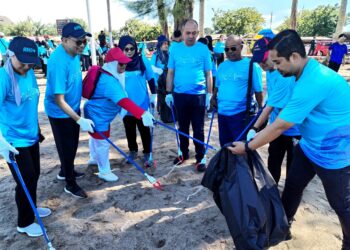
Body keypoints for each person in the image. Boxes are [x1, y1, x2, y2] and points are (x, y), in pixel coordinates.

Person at [229, 29, 350, 249]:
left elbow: (281, 125)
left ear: (294, 56)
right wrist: (254, 129)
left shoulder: (313, 81)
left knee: (341, 204)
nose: (274, 67)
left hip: (334, 154)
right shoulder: (297, 74)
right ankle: (281, 227)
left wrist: (247, 147)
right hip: (309, 146)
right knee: (293, 186)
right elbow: (271, 106)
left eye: (278, 62)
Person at [0, 37, 51, 237]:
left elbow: (30, 103)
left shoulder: (28, 72)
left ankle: (32, 208)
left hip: (31, 135)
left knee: (34, 174)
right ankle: (25, 222)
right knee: (25, 178)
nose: (27, 66)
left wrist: (36, 129)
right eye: (22, 62)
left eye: (31, 62)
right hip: (12, 140)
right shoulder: (3, 78)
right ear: (10, 56)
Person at [84, 47, 154, 181]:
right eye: (121, 64)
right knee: (102, 142)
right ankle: (104, 171)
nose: (124, 66)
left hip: (95, 112)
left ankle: (94, 159)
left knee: (95, 138)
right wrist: (143, 113)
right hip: (99, 115)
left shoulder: (108, 73)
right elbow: (123, 101)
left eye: (125, 63)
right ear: (112, 64)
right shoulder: (109, 81)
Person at [45, 22, 94, 199]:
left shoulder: (74, 53)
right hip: (60, 112)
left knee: (72, 144)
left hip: (73, 108)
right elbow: (59, 100)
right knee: (66, 147)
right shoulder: (58, 62)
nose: (82, 45)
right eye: (78, 42)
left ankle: (65, 171)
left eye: (84, 41)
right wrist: (78, 119)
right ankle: (70, 184)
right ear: (64, 40)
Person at [247, 37, 300, 184]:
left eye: (263, 59)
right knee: (273, 164)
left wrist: (255, 129)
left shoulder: (283, 76)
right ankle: (271, 193)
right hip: (277, 125)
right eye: (258, 60)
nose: (261, 64)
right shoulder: (270, 71)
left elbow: (270, 107)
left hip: (294, 129)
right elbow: (270, 102)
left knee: (293, 169)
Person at [165, 19, 213, 172]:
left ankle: (200, 157)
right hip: (179, 95)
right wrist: (168, 93)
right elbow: (171, 72)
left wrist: (209, 95)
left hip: (198, 95)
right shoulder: (175, 49)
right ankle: (183, 153)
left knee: (198, 128)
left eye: (194, 33)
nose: (191, 36)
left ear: (198, 33)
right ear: (183, 32)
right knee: (182, 126)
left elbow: (208, 73)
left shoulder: (203, 49)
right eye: (188, 33)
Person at [211, 35, 263, 147]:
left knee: (240, 148)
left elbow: (259, 91)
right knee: (225, 146)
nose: (229, 52)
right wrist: (213, 97)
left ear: (241, 47)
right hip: (222, 114)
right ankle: (227, 165)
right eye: (226, 49)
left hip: (241, 115)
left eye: (233, 48)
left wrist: (261, 111)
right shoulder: (222, 66)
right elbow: (218, 86)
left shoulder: (252, 66)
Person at [118, 35, 157, 168]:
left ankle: (147, 152)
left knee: (144, 130)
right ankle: (133, 151)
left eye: (132, 48)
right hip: (126, 105)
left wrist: (154, 95)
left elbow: (151, 78)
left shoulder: (142, 60)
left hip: (142, 104)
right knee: (129, 130)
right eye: (126, 49)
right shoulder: (118, 63)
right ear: (121, 49)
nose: (129, 51)